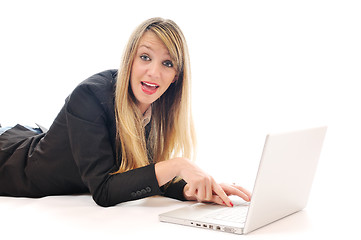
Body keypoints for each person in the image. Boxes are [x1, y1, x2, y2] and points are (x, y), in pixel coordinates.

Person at [0, 17, 251, 207]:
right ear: (129, 59)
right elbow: (104, 190)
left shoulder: (155, 108)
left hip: (35, 137)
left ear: (176, 77)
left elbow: (144, 173)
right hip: (9, 160)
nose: (154, 72)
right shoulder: (89, 95)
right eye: (145, 57)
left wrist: (192, 190)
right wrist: (179, 164)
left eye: (167, 63)